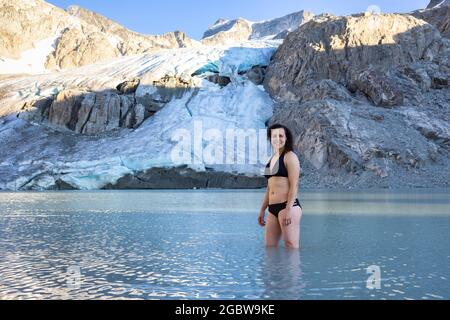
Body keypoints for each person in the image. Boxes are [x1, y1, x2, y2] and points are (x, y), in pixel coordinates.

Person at [258, 124, 302, 249]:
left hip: (287, 207)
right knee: (270, 248)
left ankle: (294, 269)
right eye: (274, 136)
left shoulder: (290, 157)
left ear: (286, 138)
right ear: (270, 139)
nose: (278, 139)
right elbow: (269, 188)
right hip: (272, 209)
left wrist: (288, 210)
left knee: (291, 246)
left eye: (281, 136)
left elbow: (294, 186)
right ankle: (274, 269)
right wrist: (262, 210)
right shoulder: (271, 159)